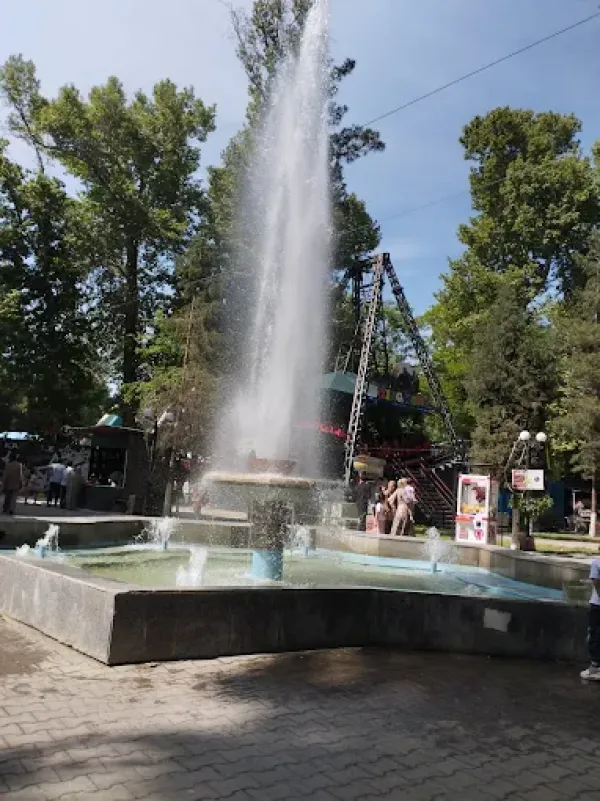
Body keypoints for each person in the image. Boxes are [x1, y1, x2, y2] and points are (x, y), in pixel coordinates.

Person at [581, 559, 600, 681]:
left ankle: (595, 667)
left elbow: (597, 584)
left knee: (595, 634)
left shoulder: (597, 563)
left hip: (597, 606)